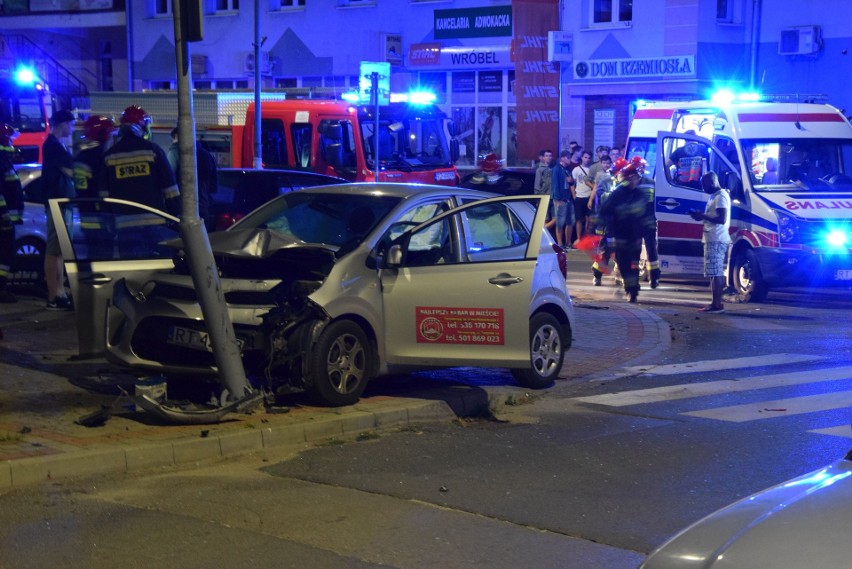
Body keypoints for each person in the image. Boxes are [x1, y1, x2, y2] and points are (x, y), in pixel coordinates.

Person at [98, 105, 179, 257]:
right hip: (155, 224)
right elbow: (171, 190)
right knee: (162, 272)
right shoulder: (153, 150)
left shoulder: (109, 156)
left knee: (133, 275)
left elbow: (104, 196)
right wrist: (176, 218)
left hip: (124, 226)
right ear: (142, 126)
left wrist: (110, 224)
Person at [598, 156, 649, 303]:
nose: (636, 180)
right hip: (620, 237)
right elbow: (605, 210)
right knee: (624, 265)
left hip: (635, 238)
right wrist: (601, 226)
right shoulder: (618, 194)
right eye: (633, 177)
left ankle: (633, 290)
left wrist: (646, 230)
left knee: (633, 264)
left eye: (637, 177)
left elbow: (645, 215)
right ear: (628, 177)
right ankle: (630, 287)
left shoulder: (640, 195)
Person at [42, 109, 76, 311]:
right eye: (71, 124)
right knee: (54, 250)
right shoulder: (53, 146)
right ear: (63, 124)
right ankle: (53, 295)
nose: (72, 128)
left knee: (61, 250)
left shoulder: (55, 146)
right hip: (58, 203)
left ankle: (60, 291)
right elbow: (71, 169)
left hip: (62, 203)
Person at [73, 115, 116, 258]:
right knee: (106, 260)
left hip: (86, 218)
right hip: (103, 219)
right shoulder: (102, 157)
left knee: (93, 259)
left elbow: (81, 189)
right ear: (104, 134)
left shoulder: (81, 157)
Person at [689, 171, 731, 313]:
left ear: (712, 183)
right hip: (712, 238)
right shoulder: (715, 196)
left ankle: (717, 305)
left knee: (716, 272)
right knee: (714, 272)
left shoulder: (720, 196)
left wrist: (702, 215)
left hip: (716, 238)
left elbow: (721, 219)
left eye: (704, 185)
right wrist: (701, 216)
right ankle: (715, 303)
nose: (703, 188)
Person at [168, 127, 219, 230]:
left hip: (182, 210)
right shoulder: (207, 156)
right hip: (202, 208)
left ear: (176, 137)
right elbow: (213, 187)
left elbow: (169, 180)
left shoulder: (174, 153)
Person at [0, 124, 23, 303]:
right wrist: (4, 216)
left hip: (6, 219)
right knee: (4, 255)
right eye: (10, 138)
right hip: (3, 220)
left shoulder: (4, 159)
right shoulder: (1, 160)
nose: (12, 141)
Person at [588, 154, 616, 286]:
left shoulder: (625, 185)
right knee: (606, 250)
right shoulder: (605, 182)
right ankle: (597, 273)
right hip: (607, 223)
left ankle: (622, 276)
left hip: (620, 224)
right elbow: (602, 200)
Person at [550, 149, 575, 248]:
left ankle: (568, 242)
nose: (569, 160)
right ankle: (560, 244)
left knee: (570, 221)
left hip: (568, 198)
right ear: (562, 158)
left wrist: (571, 181)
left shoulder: (567, 170)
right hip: (561, 199)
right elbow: (555, 184)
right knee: (560, 222)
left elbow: (571, 183)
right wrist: (558, 199)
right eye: (568, 158)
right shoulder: (556, 169)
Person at [572, 150, 593, 242]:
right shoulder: (576, 170)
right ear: (581, 158)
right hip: (579, 196)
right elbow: (572, 184)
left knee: (590, 219)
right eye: (585, 157)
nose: (587, 159)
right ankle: (579, 238)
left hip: (589, 196)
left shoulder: (592, 169)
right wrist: (574, 196)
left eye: (589, 158)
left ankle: (587, 237)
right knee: (579, 219)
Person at [533, 149, 555, 231]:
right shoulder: (540, 169)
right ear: (543, 158)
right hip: (543, 197)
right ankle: (541, 233)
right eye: (547, 156)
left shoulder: (554, 168)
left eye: (550, 156)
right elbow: (537, 185)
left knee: (556, 218)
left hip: (553, 197)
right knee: (545, 219)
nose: (549, 158)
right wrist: (538, 199)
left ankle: (541, 231)